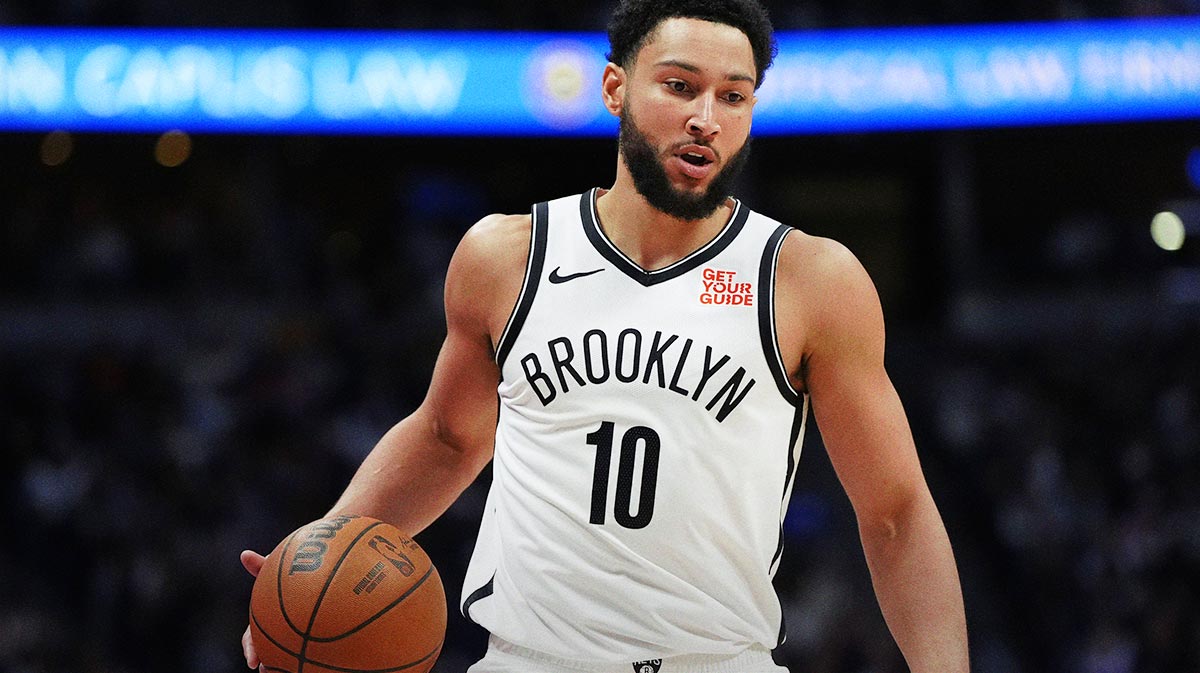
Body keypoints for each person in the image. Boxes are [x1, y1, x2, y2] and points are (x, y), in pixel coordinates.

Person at [241, 0, 970, 671]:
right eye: (680, 86)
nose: (706, 117)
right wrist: (311, 561)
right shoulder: (507, 256)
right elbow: (447, 437)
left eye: (733, 95)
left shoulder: (809, 279)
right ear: (615, 89)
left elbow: (896, 512)